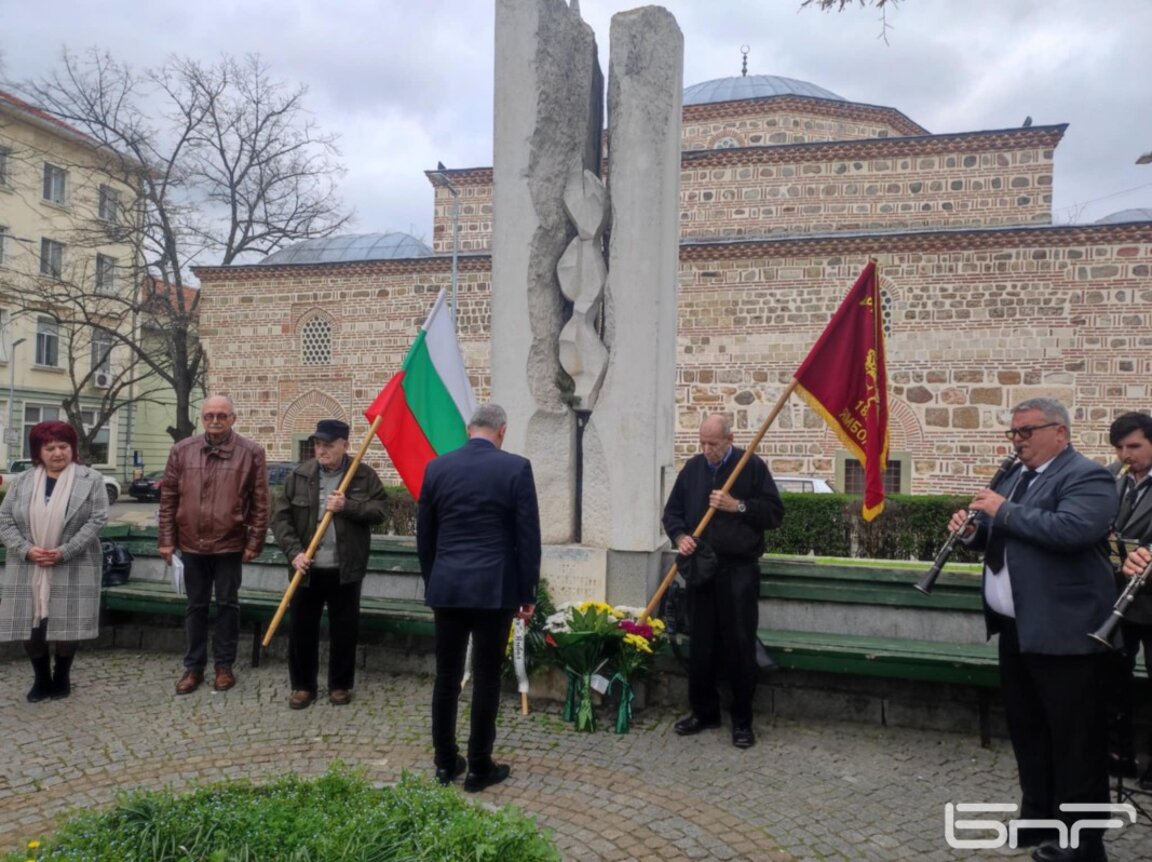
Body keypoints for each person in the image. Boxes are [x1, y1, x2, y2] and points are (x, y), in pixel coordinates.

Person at [948, 397, 1116, 862]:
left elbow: (1073, 530)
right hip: (1017, 628)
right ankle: (1039, 818)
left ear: (1060, 432)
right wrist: (973, 533)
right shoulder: (1014, 476)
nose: (1018, 440)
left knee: (1075, 740)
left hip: (1066, 632)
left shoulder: (1087, 476)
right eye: (1014, 432)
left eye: (1027, 431)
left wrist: (1002, 511)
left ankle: (1084, 842)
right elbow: (1001, 537)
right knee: (1029, 732)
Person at [416, 403, 540, 792]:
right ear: (501, 431)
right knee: (486, 678)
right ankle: (479, 767)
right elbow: (527, 537)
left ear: (469, 429)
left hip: (448, 587)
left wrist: (435, 581)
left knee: (446, 677)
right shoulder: (516, 468)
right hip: (494, 588)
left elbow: (425, 536)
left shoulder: (437, 468)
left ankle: (445, 762)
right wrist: (527, 592)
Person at [662, 412, 784, 749]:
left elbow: (774, 513)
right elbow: (672, 513)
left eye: (713, 444)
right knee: (701, 645)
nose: (706, 449)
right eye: (702, 442)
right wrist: (680, 537)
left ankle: (742, 721)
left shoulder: (751, 466)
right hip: (701, 571)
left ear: (729, 440)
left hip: (738, 572)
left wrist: (738, 506)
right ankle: (704, 712)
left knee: (740, 646)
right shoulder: (693, 470)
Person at [270, 419, 387, 709]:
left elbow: (380, 511)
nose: (321, 450)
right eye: (317, 444)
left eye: (328, 445)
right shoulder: (299, 475)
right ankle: (303, 686)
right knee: (302, 629)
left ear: (344, 445)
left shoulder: (363, 475)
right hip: (306, 569)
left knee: (344, 629)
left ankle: (340, 685)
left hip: (345, 569)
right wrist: (294, 553)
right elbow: (281, 519)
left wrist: (348, 506)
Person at [158, 395, 268, 695]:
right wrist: (166, 539)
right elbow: (168, 498)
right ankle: (193, 667)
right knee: (195, 606)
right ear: (202, 418)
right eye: (209, 416)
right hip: (191, 542)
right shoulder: (182, 450)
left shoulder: (251, 452)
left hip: (229, 543)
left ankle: (224, 666)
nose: (215, 421)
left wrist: (254, 541)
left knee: (228, 605)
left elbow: (261, 502)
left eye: (222, 415)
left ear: (233, 418)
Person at [0, 421, 109, 702]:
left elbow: (97, 519)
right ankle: (41, 678)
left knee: (67, 620)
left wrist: (65, 551)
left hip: (73, 561)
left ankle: (61, 676)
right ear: (38, 451)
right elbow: (4, 520)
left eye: (63, 446)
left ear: (72, 448)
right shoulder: (22, 481)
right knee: (29, 623)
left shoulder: (91, 479)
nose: (58, 453)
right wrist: (26, 549)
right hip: (28, 563)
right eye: (50, 448)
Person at [1102, 412, 1152, 786]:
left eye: (1133, 446)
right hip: (1117, 598)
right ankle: (1120, 756)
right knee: (1113, 681)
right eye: (1119, 447)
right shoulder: (1112, 479)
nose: (1125, 455)